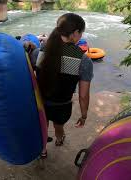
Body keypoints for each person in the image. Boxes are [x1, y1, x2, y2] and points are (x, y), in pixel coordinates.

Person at [37, 13, 93, 148]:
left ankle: (42, 148)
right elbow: (83, 95)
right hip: (61, 106)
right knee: (58, 126)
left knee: (42, 125)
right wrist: (84, 115)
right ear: (75, 33)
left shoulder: (43, 48)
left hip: (39, 102)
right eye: (81, 33)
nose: (81, 36)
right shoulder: (83, 59)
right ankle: (59, 139)